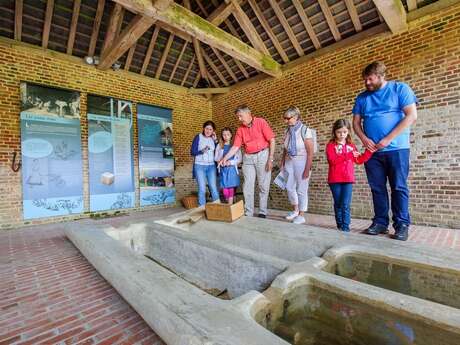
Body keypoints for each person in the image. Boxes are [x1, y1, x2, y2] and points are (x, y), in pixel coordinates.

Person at [352, 61, 418, 241]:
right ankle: (380, 222)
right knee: (377, 188)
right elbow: (356, 123)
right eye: (365, 80)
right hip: (372, 152)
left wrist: (387, 139)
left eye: (370, 79)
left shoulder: (400, 89)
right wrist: (365, 139)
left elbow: (411, 115)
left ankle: (401, 224)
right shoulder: (362, 98)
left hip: (397, 149)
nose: (366, 83)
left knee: (398, 187)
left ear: (381, 76)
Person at [218, 105, 275, 218]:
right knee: (247, 186)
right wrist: (224, 159)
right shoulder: (240, 129)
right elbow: (235, 147)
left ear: (248, 113)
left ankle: (262, 211)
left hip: (263, 155)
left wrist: (270, 158)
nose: (239, 119)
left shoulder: (261, 122)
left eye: (240, 116)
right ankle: (249, 212)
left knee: (263, 185)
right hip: (248, 157)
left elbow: (272, 140)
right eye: (238, 117)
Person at [326, 119, 372, 232]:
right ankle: (340, 224)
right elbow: (332, 161)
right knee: (338, 203)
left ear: (348, 132)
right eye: (339, 132)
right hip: (335, 180)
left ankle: (345, 227)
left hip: (348, 179)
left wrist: (369, 152)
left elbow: (359, 160)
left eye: (344, 132)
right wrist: (348, 155)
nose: (342, 135)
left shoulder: (351, 146)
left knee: (345, 204)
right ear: (334, 132)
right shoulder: (331, 145)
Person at [280, 106, 314, 225]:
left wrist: (307, 169)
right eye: (284, 118)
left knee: (301, 189)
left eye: (287, 118)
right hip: (289, 161)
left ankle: (301, 215)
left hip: (302, 161)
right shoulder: (287, 131)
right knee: (289, 187)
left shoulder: (305, 130)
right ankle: (295, 210)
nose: (285, 121)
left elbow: (310, 152)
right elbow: (285, 147)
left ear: (295, 117)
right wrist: (282, 162)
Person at [190, 120, 220, 206]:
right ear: (203, 128)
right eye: (207, 128)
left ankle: (218, 207)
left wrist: (216, 140)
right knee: (202, 188)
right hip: (199, 166)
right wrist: (202, 151)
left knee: (213, 187)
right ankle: (201, 208)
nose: (208, 131)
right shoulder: (198, 137)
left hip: (211, 166)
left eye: (210, 129)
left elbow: (219, 151)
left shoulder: (213, 139)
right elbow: (192, 152)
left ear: (213, 131)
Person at [214, 127, 242, 204]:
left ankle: (230, 205)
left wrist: (230, 162)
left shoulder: (235, 146)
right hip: (223, 170)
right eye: (224, 135)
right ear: (222, 136)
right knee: (224, 188)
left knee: (231, 187)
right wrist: (220, 161)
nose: (226, 136)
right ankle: (228, 200)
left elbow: (239, 159)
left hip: (232, 169)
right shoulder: (219, 145)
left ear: (231, 135)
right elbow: (216, 157)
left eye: (228, 134)